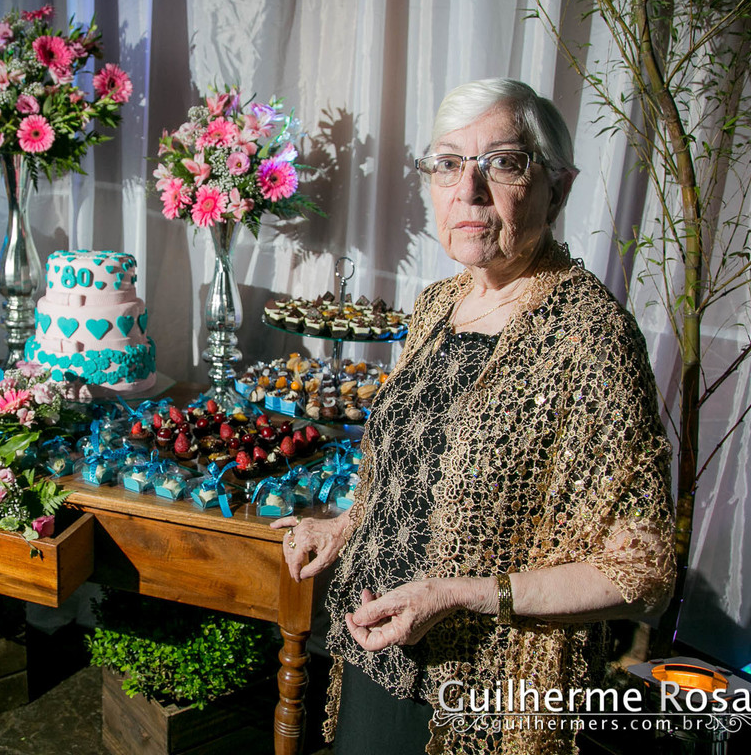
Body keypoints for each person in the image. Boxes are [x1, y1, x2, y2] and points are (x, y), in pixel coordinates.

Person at [272, 78, 675, 754]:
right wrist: (348, 525)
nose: (470, 190)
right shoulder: (437, 305)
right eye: (449, 163)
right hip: (376, 651)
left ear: (559, 186)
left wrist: (457, 594)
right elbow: (431, 473)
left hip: (484, 693)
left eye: (505, 163)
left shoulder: (589, 339)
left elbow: (643, 572)